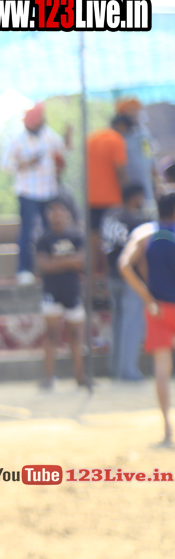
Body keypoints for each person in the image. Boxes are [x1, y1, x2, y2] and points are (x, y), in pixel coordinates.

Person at [120, 192, 175, 446]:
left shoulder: (145, 234)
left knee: (162, 368)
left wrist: (147, 298)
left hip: (158, 309)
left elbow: (124, 264)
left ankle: (167, 429)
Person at [1, 103, 67, 284]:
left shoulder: (49, 135)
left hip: (49, 190)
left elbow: (62, 150)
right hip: (28, 192)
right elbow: (5, 165)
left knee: (51, 231)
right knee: (27, 232)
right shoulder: (17, 140)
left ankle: (53, 267)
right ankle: (24, 270)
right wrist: (25, 163)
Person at [35, 198, 87, 390]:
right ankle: (49, 377)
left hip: (72, 292)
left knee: (77, 335)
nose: (57, 215)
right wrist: (69, 261)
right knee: (51, 335)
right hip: (51, 293)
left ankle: (80, 377)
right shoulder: (43, 239)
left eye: (60, 210)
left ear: (67, 214)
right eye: (53, 211)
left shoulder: (77, 236)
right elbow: (44, 265)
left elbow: (82, 261)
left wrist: (56, 261)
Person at [103, 184, 151, 382]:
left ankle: (116, 368)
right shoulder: (136, 222)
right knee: (132, 324)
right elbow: (140, 256)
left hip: (112, 276)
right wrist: (147, 282)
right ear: (135, 197)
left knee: (118, 323)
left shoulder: (110, 217)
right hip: (130, 278)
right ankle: (128, 371)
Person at [87, 114, 133, 266]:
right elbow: (120, 167)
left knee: (93, 236)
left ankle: (93, 274)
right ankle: (108, 273)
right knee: (111, 238)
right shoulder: (117, 140)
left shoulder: (92, 138)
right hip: (111, 198)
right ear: (121, 126)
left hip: (91, 196)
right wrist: (126, 191)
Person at [115, 99, 162, 212]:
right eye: (129, 112)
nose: (133, 115)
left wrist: (158, 182)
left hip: (144, 186)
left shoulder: (143, 133)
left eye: (135, 111)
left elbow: (149, 157)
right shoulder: (117, 135)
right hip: (125, 188)